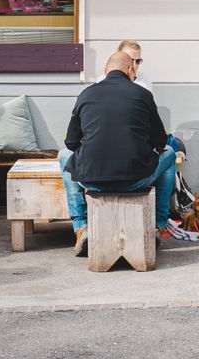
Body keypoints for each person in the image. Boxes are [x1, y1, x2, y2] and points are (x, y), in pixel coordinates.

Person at [60, 50, 176, 252]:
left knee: (63, 155)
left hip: (92, 181)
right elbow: (160, 141)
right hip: (135, 180)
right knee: (171, 154)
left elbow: (70, 143)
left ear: (106, 71)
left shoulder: (86, 94)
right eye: (134, 72)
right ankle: (158, 225)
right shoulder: (143, 95)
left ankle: (81, 227)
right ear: (130, 69)